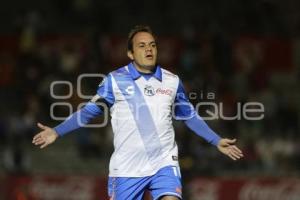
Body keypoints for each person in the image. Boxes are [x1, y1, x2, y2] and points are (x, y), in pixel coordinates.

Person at [32, 25, 243, 200]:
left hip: (164, 163)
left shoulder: (172, 81)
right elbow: (88, 112)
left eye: (152, 45)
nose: (148, 49)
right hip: (127, 169)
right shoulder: (115, 80)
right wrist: (56, 132)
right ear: (130, 53)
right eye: (141, 46)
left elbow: (188, 114)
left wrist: (216, 140)